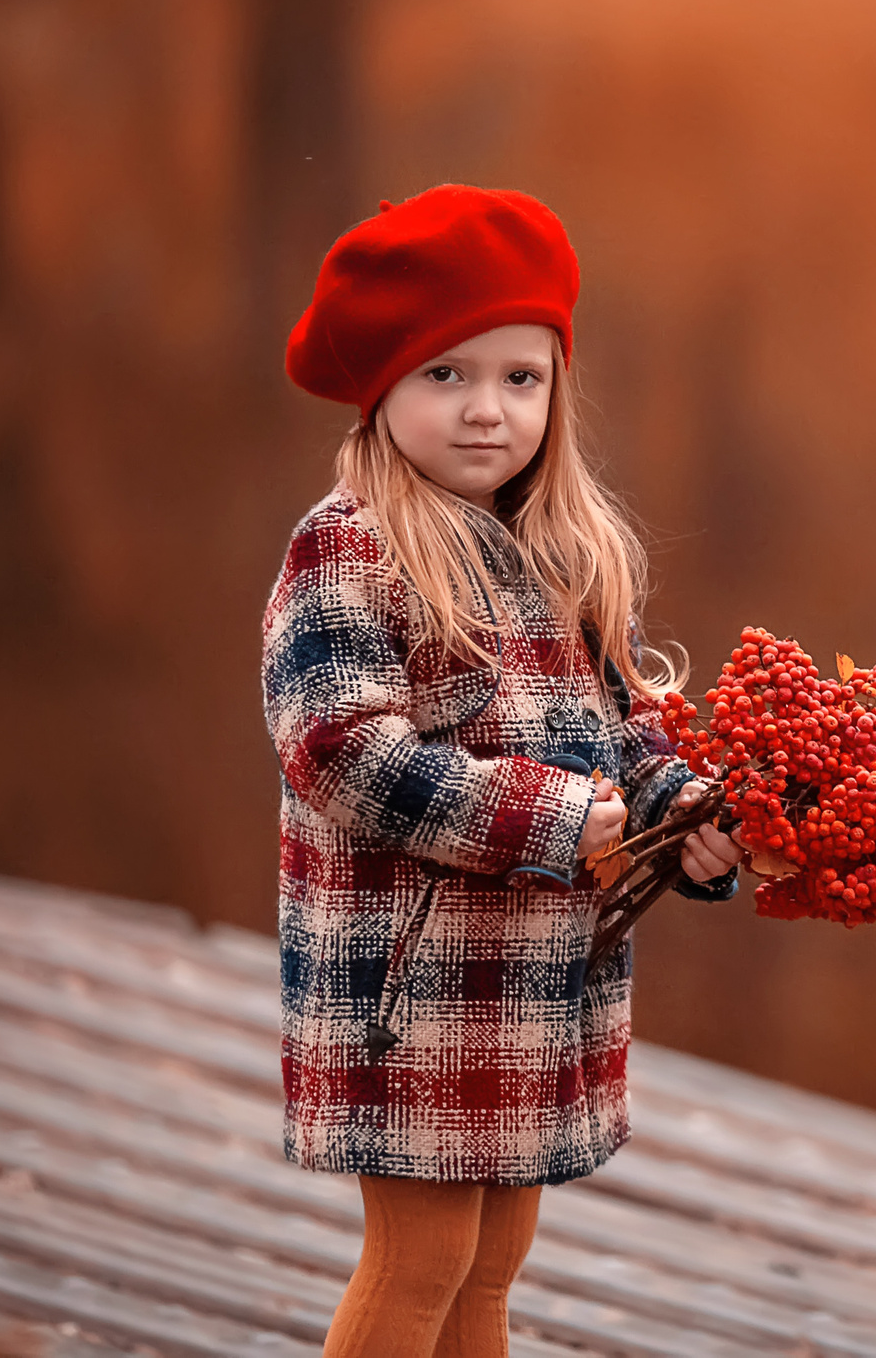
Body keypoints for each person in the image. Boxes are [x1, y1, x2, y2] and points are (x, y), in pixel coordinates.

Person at [260, 185, 742, 1358]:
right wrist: (569, 820)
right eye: (446, 375)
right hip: (414, 988)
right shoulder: (352, 546)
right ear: (381, 387)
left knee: (489, 1270)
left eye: (520, 379)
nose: (488, 411)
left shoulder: (562, 553)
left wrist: (686, 816)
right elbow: (341, 754)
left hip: (535, 987)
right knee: (420, 1261)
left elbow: (624, 731)